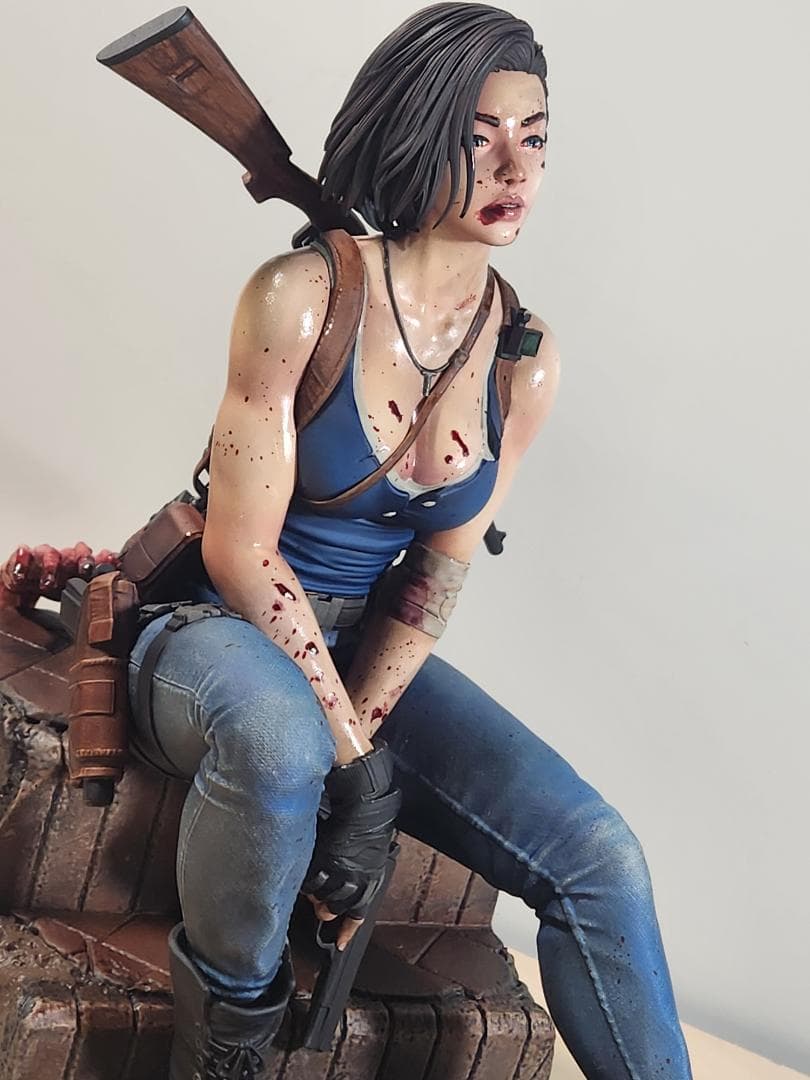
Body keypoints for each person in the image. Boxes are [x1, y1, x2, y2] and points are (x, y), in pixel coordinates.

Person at [1, 5, 694, 1078]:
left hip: (366, 649)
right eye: (478, 135)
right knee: (280, 742)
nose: (514, 166)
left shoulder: (523, 355)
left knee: (599, 856)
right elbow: (241, 555)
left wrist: (363, 746)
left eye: (535, 136)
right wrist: (354, 763)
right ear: (417, 133)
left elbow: (436, 573)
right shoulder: (301, 298)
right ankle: (225, 1050)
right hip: (214, 635)